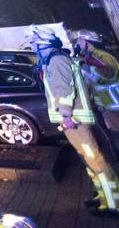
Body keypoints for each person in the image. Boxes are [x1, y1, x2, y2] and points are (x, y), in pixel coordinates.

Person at [27, 25, 117, 213]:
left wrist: (66, 115)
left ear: (43, 43)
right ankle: (103, 195)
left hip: (75, 121)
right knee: (89, 159)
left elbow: (64, 90)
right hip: (73, 122)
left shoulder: (57, 60)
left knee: (95, 159)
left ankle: (113, 203)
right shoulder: (52, 60)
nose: (32, 47)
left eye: (34, 43)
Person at [75, 30, 119, 135]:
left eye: (80, 42)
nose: (77, 45)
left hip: (115, 103)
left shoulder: (103, 56)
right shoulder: (90, 57)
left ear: (88, 43)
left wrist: (90, 70)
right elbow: (96, 84)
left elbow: (110, 75)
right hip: (107, 105)